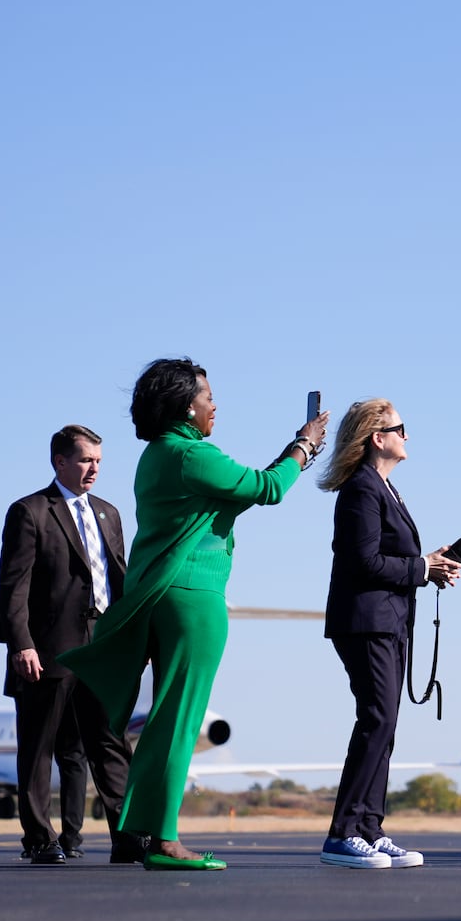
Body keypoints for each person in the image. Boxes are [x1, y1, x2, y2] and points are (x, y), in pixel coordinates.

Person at [60, 358, 329, 871]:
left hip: (159, 594)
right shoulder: (192, 454)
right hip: (193, 597)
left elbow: (247, 487)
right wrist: (307, 443)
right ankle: (164, 840)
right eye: (208, 396)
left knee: (165, 719)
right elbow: (267, 488)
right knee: (181, 720)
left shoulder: (157, 455)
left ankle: (143, 829)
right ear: (187, 405)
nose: (215, 405)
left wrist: (294, 451)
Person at [317, 400, 461, 870]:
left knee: (385, 723)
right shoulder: (362, 489)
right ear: (378, 438)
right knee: (377, 719)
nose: (407, 436)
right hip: (366, 623)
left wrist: (428, 565)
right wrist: (423, 567)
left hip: (389, 621)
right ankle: (344, 833)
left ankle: (369, 828)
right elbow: (363, 562)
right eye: (401, 428)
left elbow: (387, 558)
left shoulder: (384, 489)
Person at [0, 425, 134, 865]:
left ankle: (126, 835)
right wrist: (22, 644)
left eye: (100, 461)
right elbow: (13, 587)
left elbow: (118, 580)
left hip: (102, 646)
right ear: (60, 462)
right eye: (86, 460)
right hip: (49, 648)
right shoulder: (30, 512)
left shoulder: (109, 512)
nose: (94, 469)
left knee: (109, 744)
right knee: (39, 747)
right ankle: (40, 839)